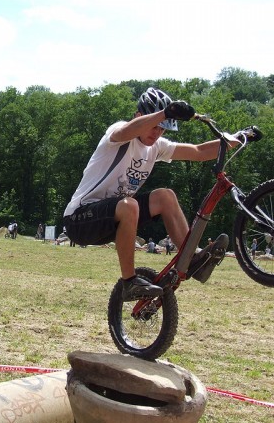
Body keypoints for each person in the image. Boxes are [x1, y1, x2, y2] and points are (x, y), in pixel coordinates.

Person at [63, 88, 236, 300]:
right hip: (79, 220)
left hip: (114, 220)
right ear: (138, 116)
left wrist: (238, 138)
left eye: (162, 129)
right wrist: (165, 113)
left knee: (166, 196)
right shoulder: (119, 133)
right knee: (130, 205)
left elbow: (199, 152)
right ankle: (129, 283)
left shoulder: (156, 147)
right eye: (154, 126)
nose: (156, 133)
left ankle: (192, 261)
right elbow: (126, 131)